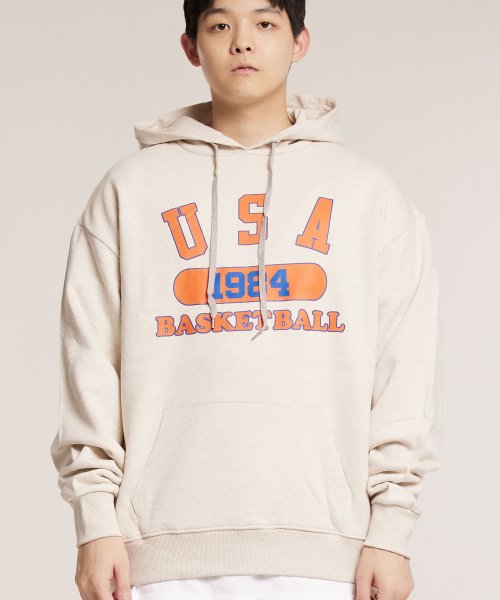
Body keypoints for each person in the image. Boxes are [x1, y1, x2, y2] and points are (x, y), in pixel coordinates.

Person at [50, 1, 443, 599]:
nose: (242, 42)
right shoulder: (129, 190)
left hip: (329, 552)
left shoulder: (368, 194)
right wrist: (95, 522)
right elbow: (89, 363)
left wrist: (391, 531)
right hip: (155, 553)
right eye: (219, 25)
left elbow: (404, 371)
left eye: (264, 23)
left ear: (299, 41)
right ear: (191, 47)